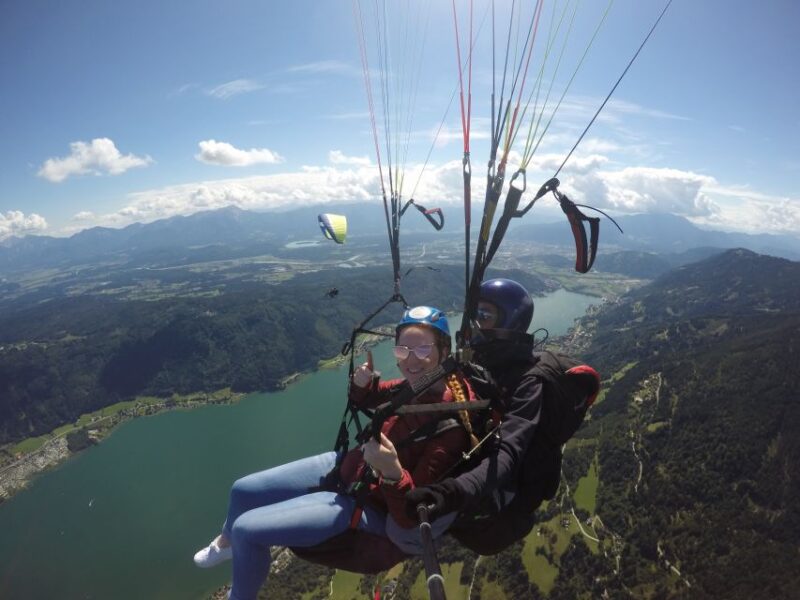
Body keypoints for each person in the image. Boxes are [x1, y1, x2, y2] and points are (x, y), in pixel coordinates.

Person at [193, 306, 472, 600]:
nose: (410, 359)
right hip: (351, 468)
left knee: (247, 530)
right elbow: (370, 397)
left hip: (365, 506)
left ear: (444, 351)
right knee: (242, 491)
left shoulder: (449, 428)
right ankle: (225, 545)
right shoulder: (413, 386)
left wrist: (392, 472)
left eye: (423, 349)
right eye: (403, 350)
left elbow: (412, 516)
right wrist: (362, 384)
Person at [405, 278, 551, 554]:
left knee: (394, 532)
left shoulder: (527, 383)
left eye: (484, 316)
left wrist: (451, 493)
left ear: (510, 322)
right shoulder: (477, 362)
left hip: (491, 495)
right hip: (460, 470)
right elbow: (427, 385)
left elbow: (508, 453)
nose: (474, 324)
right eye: (474, 315)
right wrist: (369, 391)